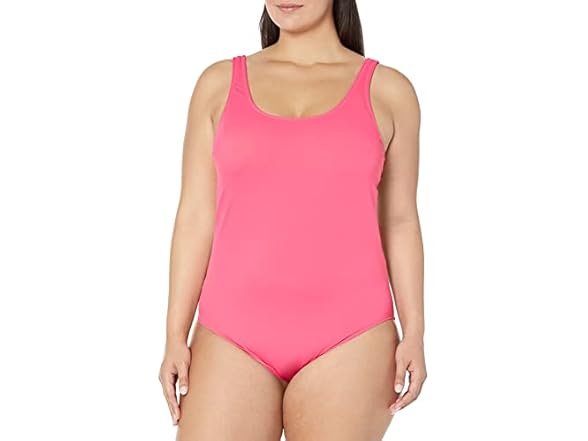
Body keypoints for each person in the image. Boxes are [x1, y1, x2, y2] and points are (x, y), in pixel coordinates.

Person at [159, 1, 426, 439]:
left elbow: (399, 221)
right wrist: (175, 334)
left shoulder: (389, 91)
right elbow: (194, 217)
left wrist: (415, 331)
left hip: (352, 334)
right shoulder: (217, 85)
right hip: (231, 332)